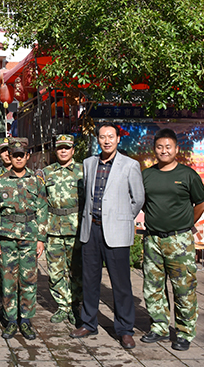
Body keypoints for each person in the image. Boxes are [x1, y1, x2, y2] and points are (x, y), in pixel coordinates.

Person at [71, 122, 145, 350]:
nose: (106, 141)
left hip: (116, 231)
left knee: (121, 283)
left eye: (111, 136)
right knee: (90, 280)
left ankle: (125, 329)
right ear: (98, 139)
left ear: (118, 139)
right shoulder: (89, 163)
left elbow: (138, 198)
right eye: (102, 137)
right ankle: (88, 323)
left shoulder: (130, 165)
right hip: (91, 229)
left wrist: (123, 217)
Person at [140, 128, 204, 351]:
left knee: (183, 288)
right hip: (152, 240)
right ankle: (159, 327)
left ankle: (185, 332)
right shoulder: (147, 175)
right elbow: (143, 203)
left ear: (176, 149)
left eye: (168, 147)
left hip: (179, 241)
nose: (164, 151)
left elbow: (201, 204)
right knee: (153, 286)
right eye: (159, 147)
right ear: (154, 149)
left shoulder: (188, 175)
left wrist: (185, 224)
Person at [0, 139, 47, 340]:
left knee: (28, 279)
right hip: (6, 237)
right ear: (10, 156)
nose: (18, 158)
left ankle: (26, 320)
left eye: (22, 155)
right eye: (15, 155)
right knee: (8, 280)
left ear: (27, 156)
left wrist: (41, 238)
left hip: (29, 236)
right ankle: (11, 320)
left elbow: (42, 209)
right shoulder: (0, 181)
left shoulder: (36, 181)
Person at [41, 134, 83, 325]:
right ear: (55, 150)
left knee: (77, 271)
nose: (63, 151)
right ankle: (62, 306)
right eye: (60, 148)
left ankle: (75, 306)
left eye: (67, 147)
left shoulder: (83, 171)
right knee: (55, 271)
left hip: (76, 228)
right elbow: (41, 203)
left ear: (73, 150)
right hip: (54, 229)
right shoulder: (46, 173)